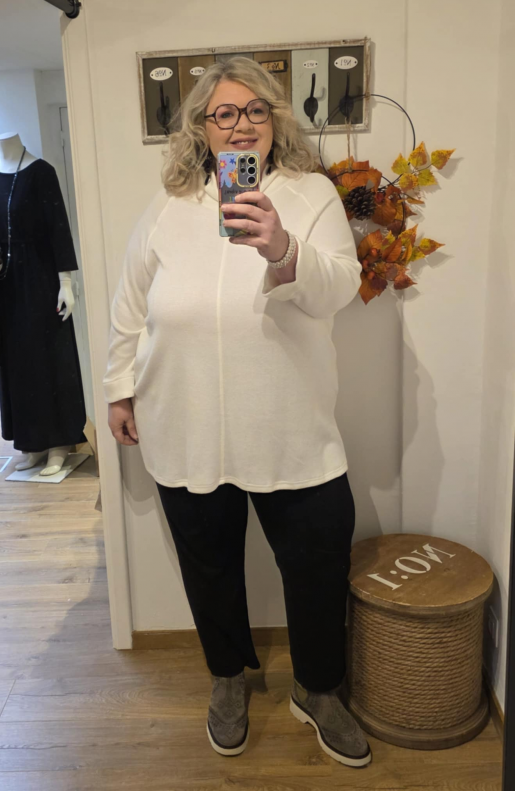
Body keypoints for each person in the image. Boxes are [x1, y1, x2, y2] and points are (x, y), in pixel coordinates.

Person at [104, 56, 371, 767]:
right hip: (183, 421)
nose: (241, 124)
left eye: (255, 110)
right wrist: (118, 388)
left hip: (289, 426)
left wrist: (282, 247)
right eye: (224, 113)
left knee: (316, 564)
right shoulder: (171, 204)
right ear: (202, 127)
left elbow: (341, 287)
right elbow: (129, 304)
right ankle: (228, 677)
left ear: (275, 120)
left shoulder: (311, 193)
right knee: (209, 565)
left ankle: (319, 689)